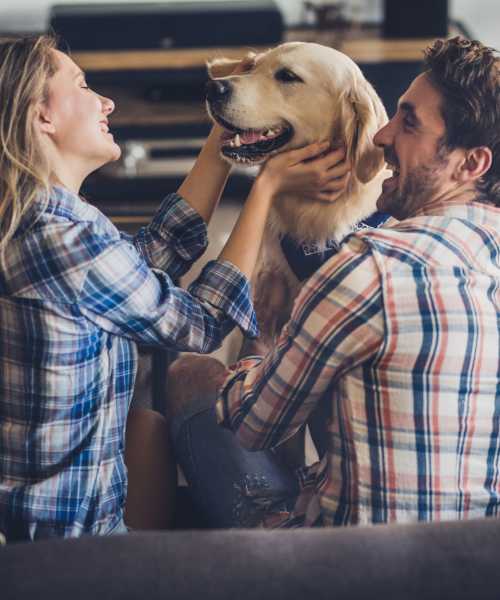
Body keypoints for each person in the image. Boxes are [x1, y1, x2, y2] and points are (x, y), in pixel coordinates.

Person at [0, 34, 351, 541]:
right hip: (59, 545)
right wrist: (266, 187)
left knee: (146, 425)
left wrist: (225, 140)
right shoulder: (63, 241)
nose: (107, 101)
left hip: (56, 510)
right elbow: (200, 324)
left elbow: (147, 259)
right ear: (42, 116)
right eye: (82, 85)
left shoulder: (46, 219)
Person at [168, 36, 500, 528]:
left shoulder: (369, 267)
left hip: (352, 562)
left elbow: (256, 423)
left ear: (470, 163)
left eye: (408, 123)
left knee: (187, 375)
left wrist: (270, 352)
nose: (382, 137)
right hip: (474, 556)